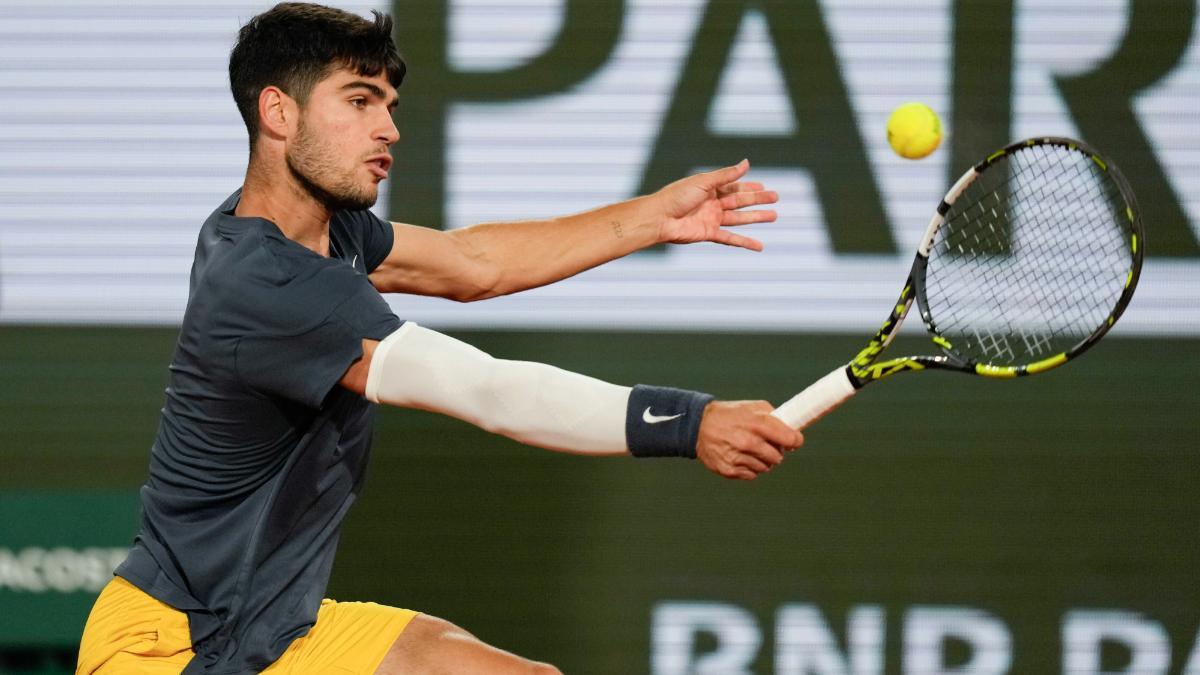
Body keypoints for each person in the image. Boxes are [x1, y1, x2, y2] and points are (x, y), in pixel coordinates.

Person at [75, 3, 804, 674]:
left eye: (389, 106)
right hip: (163, 647)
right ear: (278, 112)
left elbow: (474, 263)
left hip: (276, 629)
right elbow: (487, 390)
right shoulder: (266, 284)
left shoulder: (325, 230)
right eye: (359, 101)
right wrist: (690, 421)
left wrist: (653, 217)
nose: (389, 128)